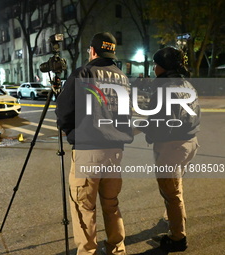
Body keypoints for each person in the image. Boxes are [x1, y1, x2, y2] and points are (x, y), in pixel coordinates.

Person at [56, 32, 133, 255]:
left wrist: (71, 132)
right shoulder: (122, 77)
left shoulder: (84, 72)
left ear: (92, 50)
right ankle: (117, 249)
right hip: (115, 151)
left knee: (84, 208)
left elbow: (64, 111)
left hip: (88, 151)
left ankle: (88, 252)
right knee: (111, 204)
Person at [136, 46, 201, 252]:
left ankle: (177, 238)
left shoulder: (163, 88)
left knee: (171, 193)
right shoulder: (186, 84)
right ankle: (176, 220)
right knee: (176, 188)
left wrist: (141, 130)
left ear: (164, 67)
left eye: (156, 65)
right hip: (190, 144)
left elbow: (163, 123)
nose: (154, 68)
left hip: (172, 147)